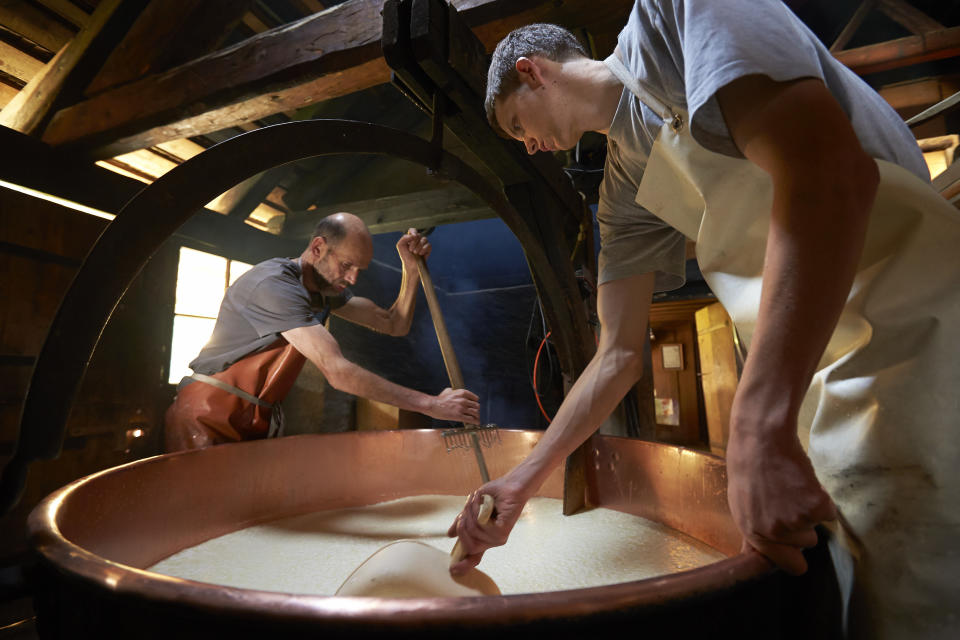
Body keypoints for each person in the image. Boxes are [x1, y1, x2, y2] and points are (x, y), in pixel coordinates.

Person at [447, 1, 959, 637]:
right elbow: (617, 356)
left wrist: (753, 418)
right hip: (816, 382)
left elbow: (827, 174)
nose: (528, 145)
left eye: (517, 124)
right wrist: (524, 480)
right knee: (866, 604)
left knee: (934, 588)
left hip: (916, 328)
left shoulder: (671, 19)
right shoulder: (623, 192)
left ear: (532, 71)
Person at [165, 212, 480, 451]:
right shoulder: (275, 286)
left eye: (359, 270)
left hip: (254, 417)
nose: (353, 279)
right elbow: (337, 372)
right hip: (208, 415)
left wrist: (411, 269)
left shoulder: (320, 290)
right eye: (346, 266)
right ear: (318, 248)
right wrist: (431, 404)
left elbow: (394, 324)